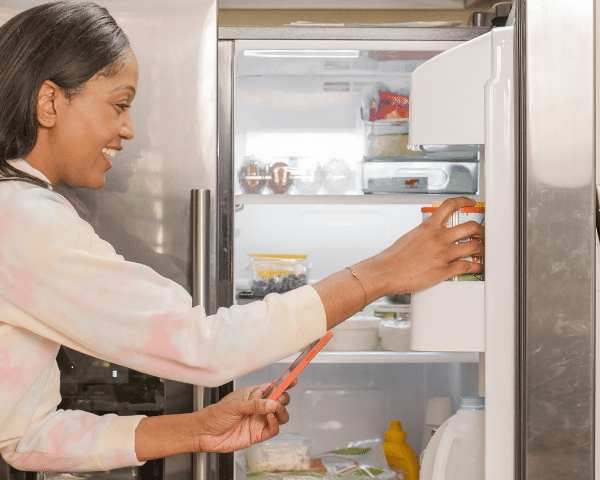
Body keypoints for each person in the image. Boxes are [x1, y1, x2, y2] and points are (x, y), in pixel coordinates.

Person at [0, 0, 485, 474]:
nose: (128, 129)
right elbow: (203, 345)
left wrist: (198, 430)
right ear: (49, 102)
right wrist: (379, 274)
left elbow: (24, 438)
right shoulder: (22, 218)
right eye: (120, 105)